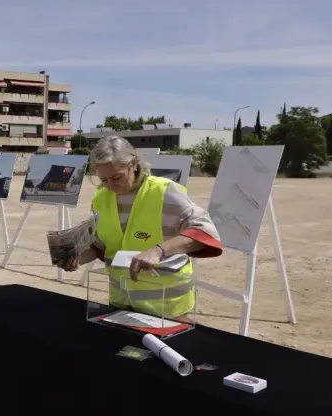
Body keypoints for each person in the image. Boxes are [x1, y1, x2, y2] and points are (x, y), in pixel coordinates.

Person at [59, 135, 222, 317]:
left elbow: (204, 231)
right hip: (121, 301)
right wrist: (77, 259)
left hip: (166, 306)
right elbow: (104, 246)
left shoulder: (164, 192)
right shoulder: (100, 199)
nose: (111, 186)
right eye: (104, 180)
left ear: (134, 164)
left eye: (117, 178)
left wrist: (159, 250)